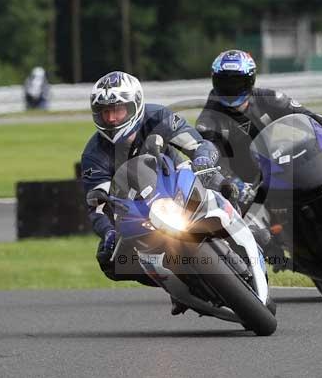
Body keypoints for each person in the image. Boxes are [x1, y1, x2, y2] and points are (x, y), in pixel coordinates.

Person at [80, 71, 230, 314]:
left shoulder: (158, 116)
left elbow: (197, 143)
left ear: (135, 105)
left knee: (225, 185)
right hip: (140, 209)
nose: (112, 119)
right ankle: (175, 287)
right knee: (110, 259)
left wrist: (202, 159)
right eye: (105, 112)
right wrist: (108, 231)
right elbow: (97, 203)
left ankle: (249, 240)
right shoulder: (93, 154)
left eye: (118, 110)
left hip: (178, 181)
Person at [195, 49, 322, 203]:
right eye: (225, 83)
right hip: (249, 188)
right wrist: (231, 182)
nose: (231, 89)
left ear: (250, 80)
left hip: (283, 168)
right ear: (215, 81)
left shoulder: (269, 98)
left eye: (236, 82)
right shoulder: (208, 120)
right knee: (257, 232)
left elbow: (306, 115)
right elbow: (213, 159)